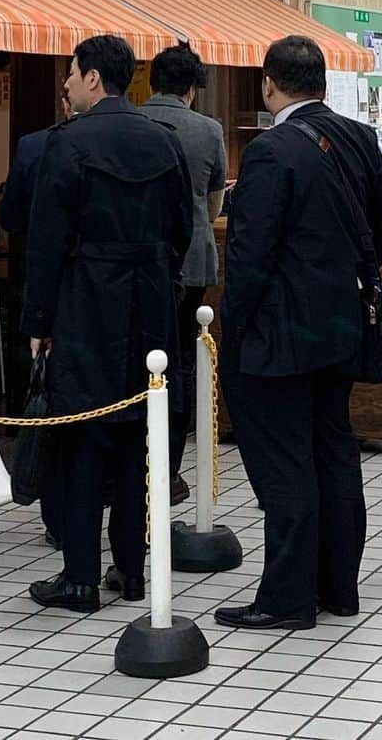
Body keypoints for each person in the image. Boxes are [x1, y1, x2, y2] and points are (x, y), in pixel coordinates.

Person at [215, 36, 382, 630]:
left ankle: (288, 597)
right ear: (323, 82)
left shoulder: (271, 151)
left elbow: (249, 254)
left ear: (269, 83)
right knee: (334, 450)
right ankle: (338, 588)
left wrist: (235, 325)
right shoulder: (356, 136)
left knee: (285, 464)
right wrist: (350, 270)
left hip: (281, 335)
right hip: (342, 327)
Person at [23, 35, 192, 612]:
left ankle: (78, 576)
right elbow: (180, 230)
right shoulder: (163, 143)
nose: (66, 84)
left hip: (86, 300)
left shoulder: (67, 145)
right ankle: (133, 568)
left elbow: (46, 242)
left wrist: (39, 320)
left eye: (71, 74)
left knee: (81, 432)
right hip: (150, 301)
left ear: (94, 78)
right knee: (138, 434)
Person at [140, 44, 227, 507]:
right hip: (192, 259)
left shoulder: (133, 122)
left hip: (136, 261)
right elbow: (214, 205)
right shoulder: (208, 130)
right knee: (184, 363)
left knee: (138, 360)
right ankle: (170, 471)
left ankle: (134, 463)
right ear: (193, 89)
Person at [0, 90, 72, 548]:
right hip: (104, 302)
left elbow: (11, 217)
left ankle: (57, 513)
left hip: (40, 291)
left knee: (46, 400)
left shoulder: (34, 146)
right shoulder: (142, 140)